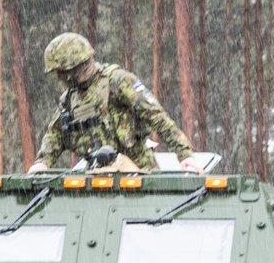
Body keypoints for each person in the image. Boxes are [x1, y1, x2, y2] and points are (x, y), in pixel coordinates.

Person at [28, 32, 195, 173]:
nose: (59, 77)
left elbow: (157, 117)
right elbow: (55, 135)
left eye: (61, 72)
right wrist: (41, 163)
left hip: (138, 174)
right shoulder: (69, 99)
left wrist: (185, 155)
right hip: (98, 177)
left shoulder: (117, 81)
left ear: (74, 67)